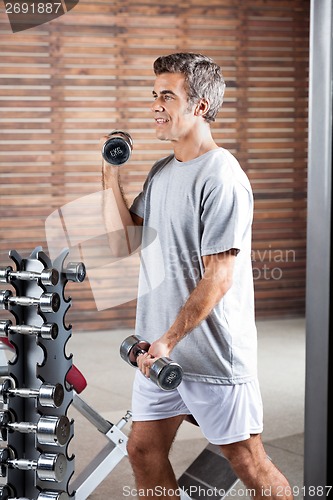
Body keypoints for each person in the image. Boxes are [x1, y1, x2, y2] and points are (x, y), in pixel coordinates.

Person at [102, 53, 293, 500]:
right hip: (161, 354)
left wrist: (169, 339)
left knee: (247, 461)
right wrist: (110, 174)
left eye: (167, 95)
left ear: (201, 106)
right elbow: (121, 244)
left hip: (211, 357)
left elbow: (219, 277)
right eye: (154, 95)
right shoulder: (162, 172)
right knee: (144, 450)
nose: (155, 105)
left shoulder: (222, 175)